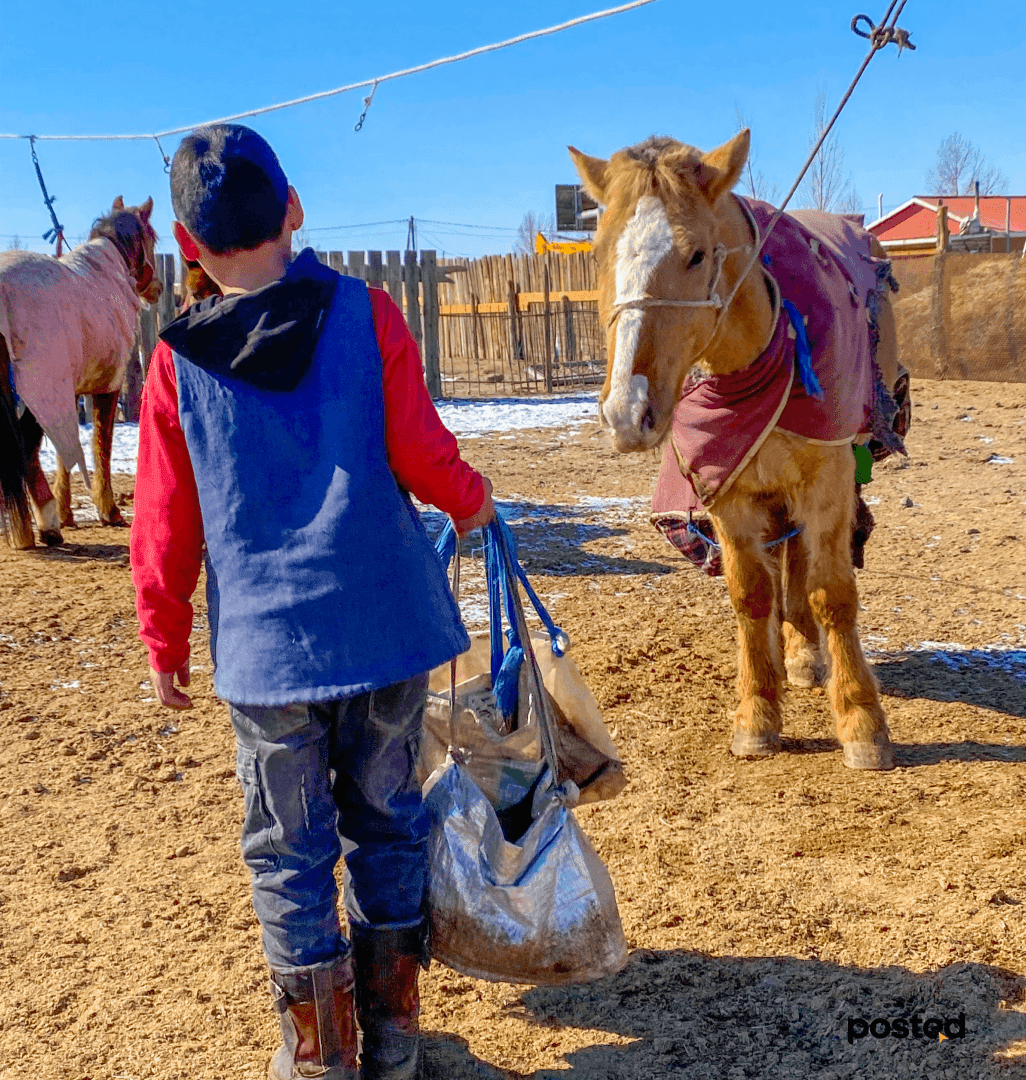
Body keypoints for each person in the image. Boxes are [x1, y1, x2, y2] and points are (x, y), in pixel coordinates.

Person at [130, 123, 495, 1080]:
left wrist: (163, 636)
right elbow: (420, 449)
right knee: (388, 822)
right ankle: (397, 1042)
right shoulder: (369, 314)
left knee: (288, 853)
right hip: (382, 635)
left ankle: (322, 1057)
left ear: (182, 243)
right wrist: (470, 498)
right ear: (294, 209)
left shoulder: (176, 365)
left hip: (266, 657)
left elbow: (166, 523)